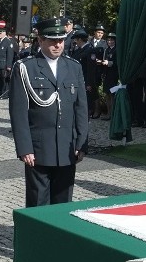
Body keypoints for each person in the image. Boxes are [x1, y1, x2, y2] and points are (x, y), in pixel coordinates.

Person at [9, 17, 90, 207]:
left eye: (61, 40)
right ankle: (37, 237)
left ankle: (59, 236)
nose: (57, 45)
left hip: (66, 147)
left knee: (63, 202)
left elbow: (81, 108)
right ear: (40, 41)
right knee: (38, 202)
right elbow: (18, 112)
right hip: (39, 148)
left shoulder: (73, 67)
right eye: (52, 41)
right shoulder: (25, 68)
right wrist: (25, 148)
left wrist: (81, 142)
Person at [99, 32, 118, 121]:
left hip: (113, 74)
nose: (110, 41)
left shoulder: (117, 50)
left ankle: (113, 114)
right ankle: (108, 113)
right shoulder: (106, 50)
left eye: (112, 40)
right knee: (107, 94)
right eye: (108, 40)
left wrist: (109, 63)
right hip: (106, 74)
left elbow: (118, 63)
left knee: (112, 94)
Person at [0, 27, 14, 99]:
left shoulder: (8, 42)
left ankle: (4, 94)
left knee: (4, 81)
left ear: (4, 33)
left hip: (3, 64)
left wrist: (9, 65)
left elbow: (10, 54)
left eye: (0, 33)